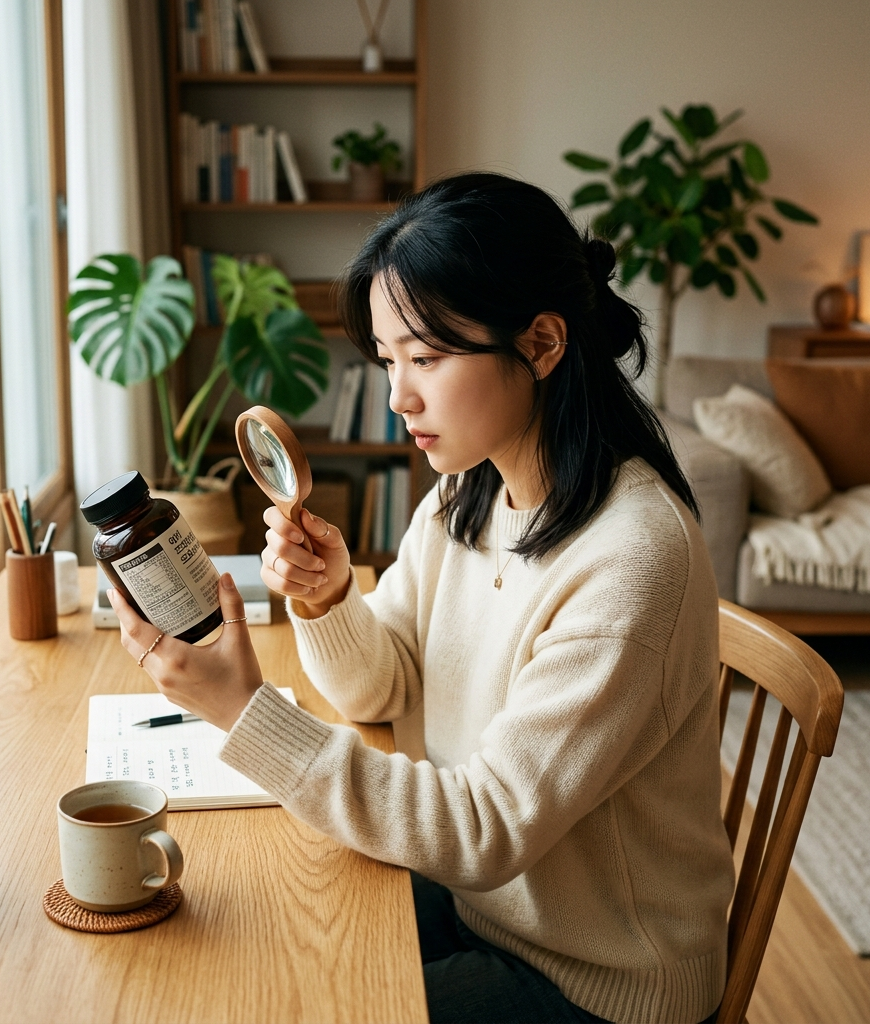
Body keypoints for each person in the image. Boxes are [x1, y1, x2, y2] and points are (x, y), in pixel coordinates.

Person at [107, 172, 735, 1024]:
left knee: (294, 999)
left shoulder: (633, 560)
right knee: (247, 951)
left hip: (599, 978)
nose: (400, 396)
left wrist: (243, 709)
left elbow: (484, 828)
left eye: (428, 358)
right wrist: (330, 600)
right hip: (485, 903)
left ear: (544, 343)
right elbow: (382, 686)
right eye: (391, 359)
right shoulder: (466, 492)